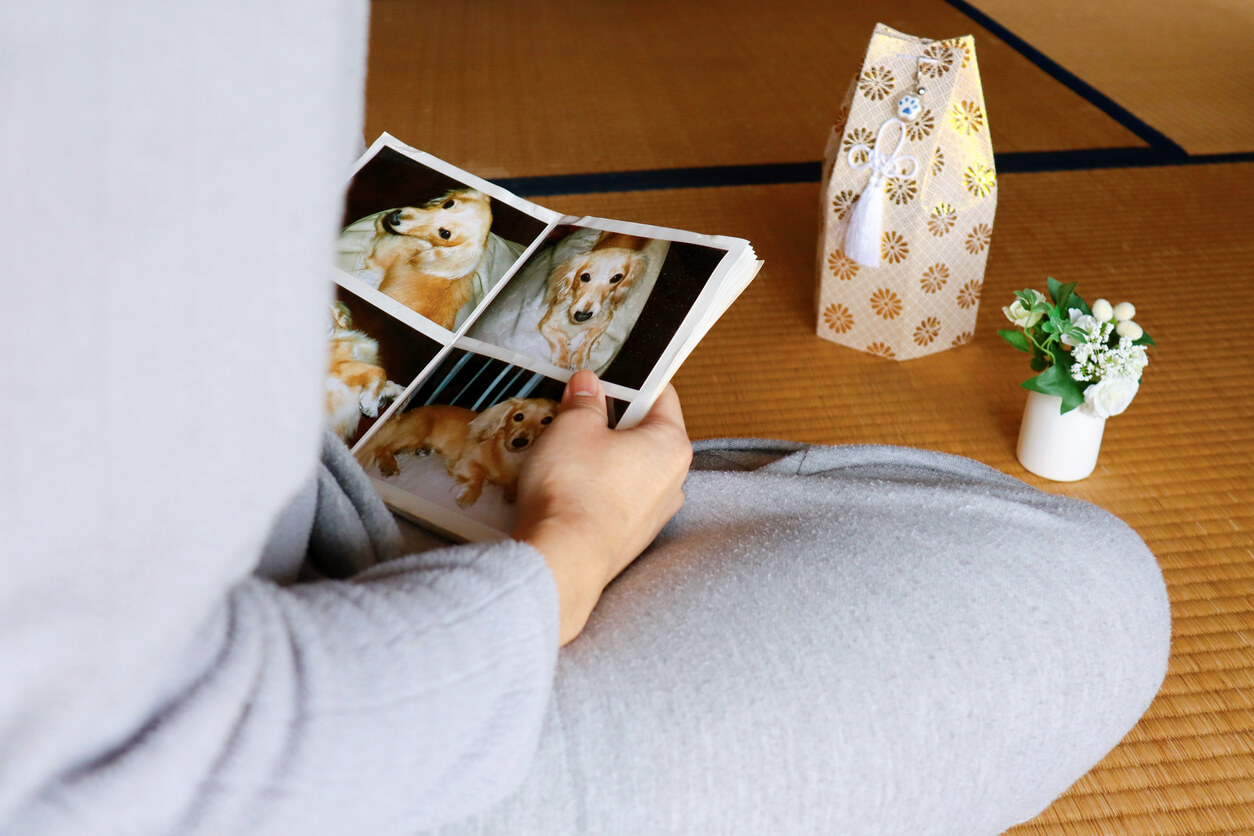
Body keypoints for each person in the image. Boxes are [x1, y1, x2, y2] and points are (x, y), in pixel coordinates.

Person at [1, 2, 1171, 834]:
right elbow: (129, 755)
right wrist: (566, 552)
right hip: (243, 753)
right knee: (1081, 584)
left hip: (186, 553)